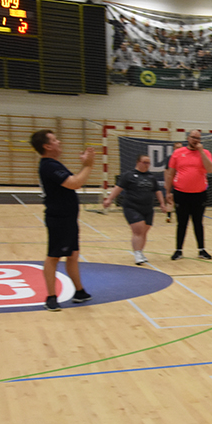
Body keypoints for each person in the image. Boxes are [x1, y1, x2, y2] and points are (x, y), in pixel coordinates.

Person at [30, 129, 95, 311]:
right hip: (59, 219)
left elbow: (72, 181)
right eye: (54, 140)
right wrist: (88, 165)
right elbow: (74, 183)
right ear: (47, 146)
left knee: (72, 255)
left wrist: (85, 165)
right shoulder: (49, 165)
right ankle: (51, 297)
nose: (59, 142)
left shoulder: (54, 164)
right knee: (53, 257)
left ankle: (80, 291)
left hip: (68, 218)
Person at [102, 154, 168, 265]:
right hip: (132, 207)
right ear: (138, 162)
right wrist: (109, 199)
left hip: (148, 208)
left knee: (144, 231)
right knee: (138, 229)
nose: (147, 165)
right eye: (144, 162)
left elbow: (157, 191)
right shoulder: (128, 175)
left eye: (148, 163)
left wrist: (162, 203)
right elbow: (118, 188)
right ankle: (137, 254)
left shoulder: (151, 177)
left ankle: (140, 251)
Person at [165, 129, 212, 260]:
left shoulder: (206, 153)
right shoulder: (177, 153)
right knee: (182, 223)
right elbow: (170, 173)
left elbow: (210, 169)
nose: (195, 140)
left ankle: (201, 250)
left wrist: (201, 152)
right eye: (193, 137)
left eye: (198, 138)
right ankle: (178, 250)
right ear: (188, 138)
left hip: (199, 194)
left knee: (198, 222)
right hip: (181, 193)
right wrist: (168, 192)